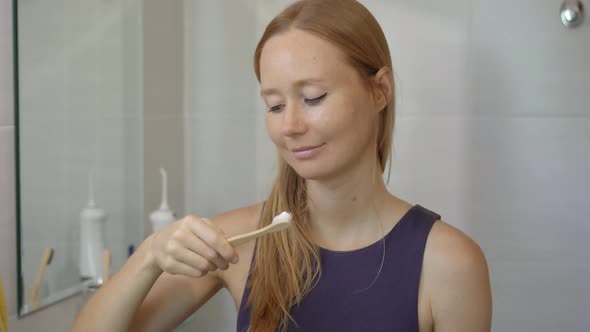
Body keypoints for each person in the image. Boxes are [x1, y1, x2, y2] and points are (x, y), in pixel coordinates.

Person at [73, 0, 492, 331]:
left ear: (379, 90)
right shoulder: (240, 242)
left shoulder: (449, 263)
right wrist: (149, 255)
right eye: (274, 105)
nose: (289, 126)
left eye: (313, 98)